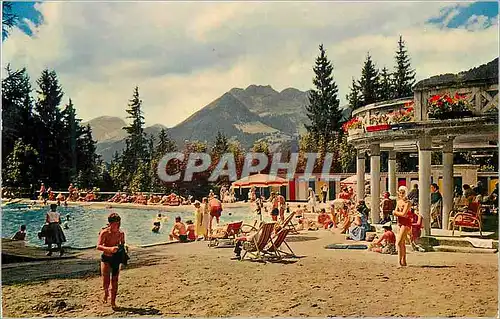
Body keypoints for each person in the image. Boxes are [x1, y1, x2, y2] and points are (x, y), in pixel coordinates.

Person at [97, 212, 128, 309]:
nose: (117, 226)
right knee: (106, 281)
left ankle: (113, 301)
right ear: (110, 224)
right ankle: (106, 293)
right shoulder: (105, 232)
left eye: (118, 224)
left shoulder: (121, 233)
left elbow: (122, 244)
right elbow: (98, 246)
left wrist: (124, 249)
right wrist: (109, 249)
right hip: (106, 258)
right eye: (115, 224)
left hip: (116, 259)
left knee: (115, 280)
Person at [393, 186, 412, 267]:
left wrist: (395, 212)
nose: (401, 194)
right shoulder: (398, 202)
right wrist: (396, 212)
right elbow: (399, 212)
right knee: (402, 243)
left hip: (406, 223)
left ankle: (400, 261)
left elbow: (403, 214)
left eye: (403, 192)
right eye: (400, 192)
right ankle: (402, 261)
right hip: (400, 222)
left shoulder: (408, 203)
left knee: (399, 241)